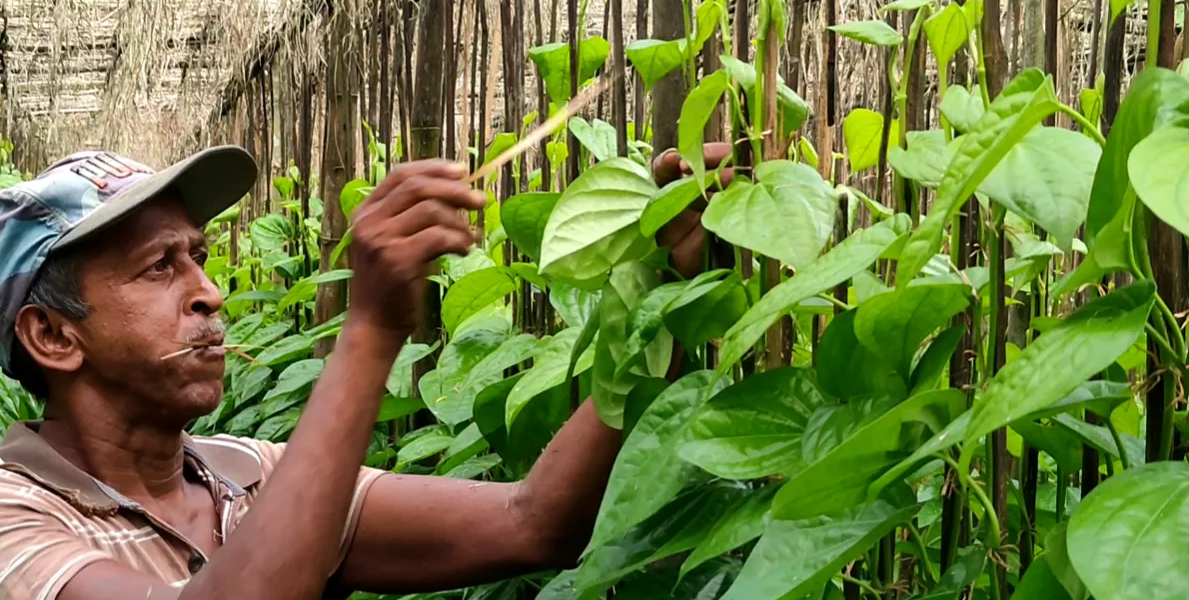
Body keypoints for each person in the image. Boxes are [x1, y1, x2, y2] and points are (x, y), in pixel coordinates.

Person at [0, 141, 734, 599]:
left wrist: (661, 292)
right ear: (53, 336)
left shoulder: (247, 477)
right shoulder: (16, 517)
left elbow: (533, 522)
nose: (210, 292)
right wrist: (373, 326)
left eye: (198, 254)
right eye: (160, 266)